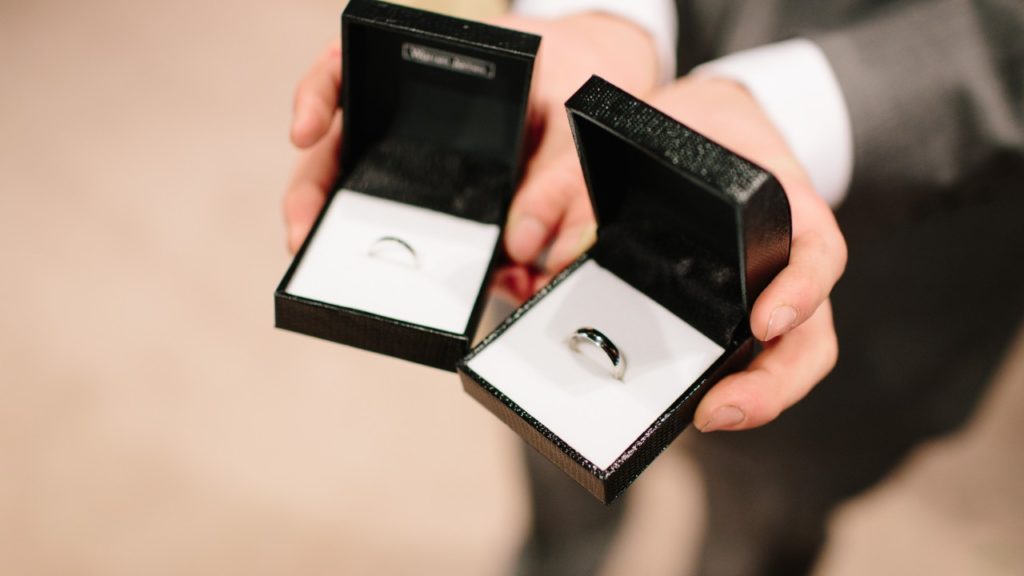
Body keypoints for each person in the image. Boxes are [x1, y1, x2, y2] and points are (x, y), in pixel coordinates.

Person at [283, 1, 1024, 574]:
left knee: (764, 519)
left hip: (904, 260)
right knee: (550, 437)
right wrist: (606, 17)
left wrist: (798, 110)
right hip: (579, 184)